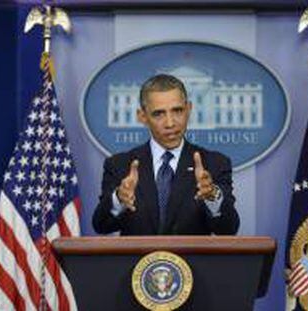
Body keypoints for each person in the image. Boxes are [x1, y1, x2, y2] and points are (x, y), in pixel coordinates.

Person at [92, 74, 239, 235]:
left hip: (191, 261)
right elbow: (101, 225)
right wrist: (119, 199)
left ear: (189, 109)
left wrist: (212, 197)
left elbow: (228, 229)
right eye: (159, 114)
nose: (170, 123)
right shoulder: (120, 165)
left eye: (177, 111)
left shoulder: (214, 164)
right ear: (142, 116)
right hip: (138, 261)